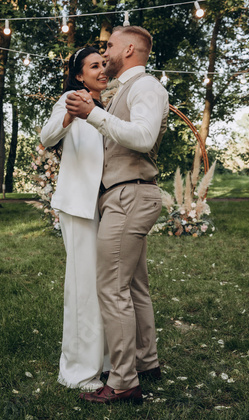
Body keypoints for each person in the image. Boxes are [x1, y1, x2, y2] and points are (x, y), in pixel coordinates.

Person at [65, 26, 169, 404]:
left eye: (109, 45)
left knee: (112, 288)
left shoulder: (146, 87)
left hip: (129, 195)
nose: (104, 50)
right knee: (135, 286)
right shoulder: (125, 89)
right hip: (127, 195)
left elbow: (141, 137)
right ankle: (146, 362)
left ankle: (124, 381)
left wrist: (94, 114)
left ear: (128, 49)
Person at [40, 47, 110, 391]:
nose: (102, 69)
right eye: (94, 66)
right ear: (80, 75)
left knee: (108, 286)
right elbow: (47, 136)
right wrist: (70, 117)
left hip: (110, 206)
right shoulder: (71, 98)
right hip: (80, 205)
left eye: (103, 64)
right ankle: (79, 370)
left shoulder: (113, 101)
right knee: (83, 287)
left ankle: (110, 360)